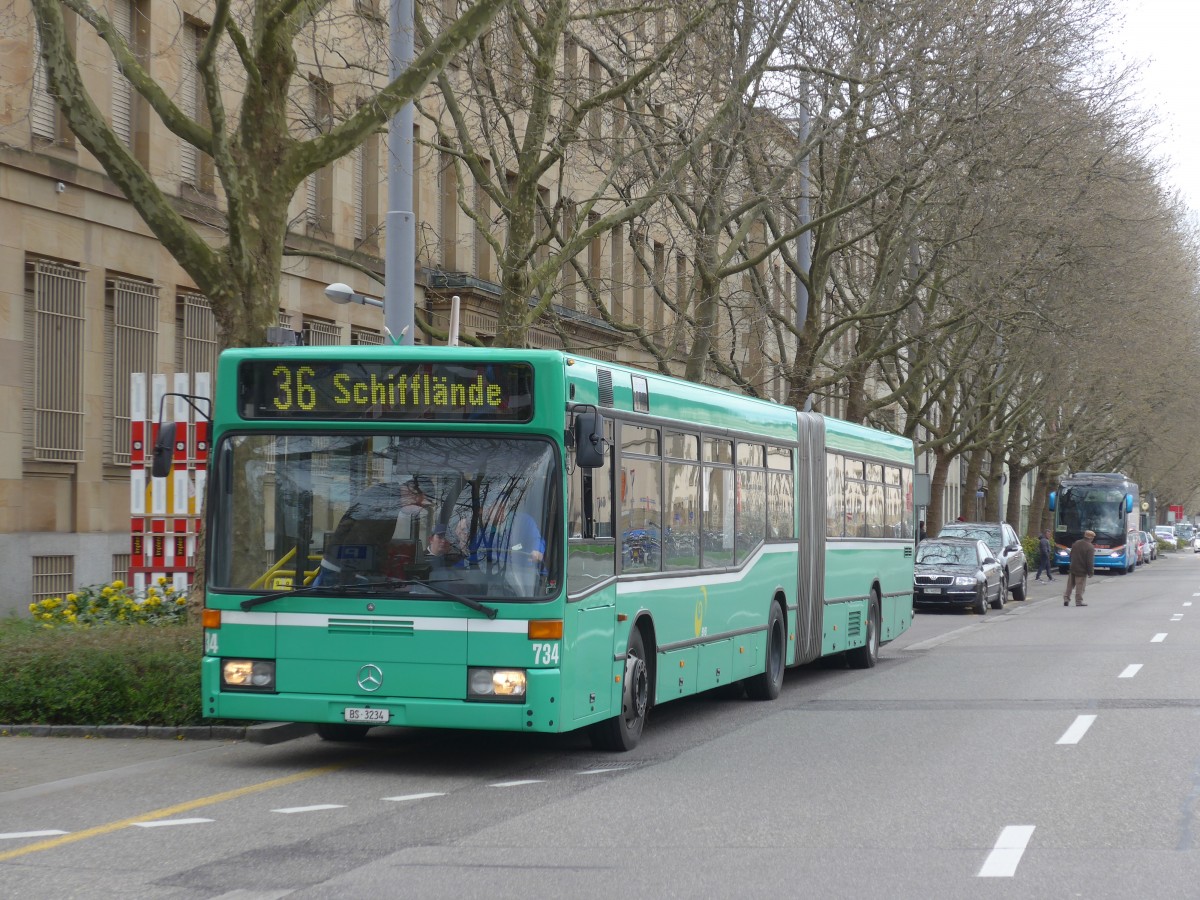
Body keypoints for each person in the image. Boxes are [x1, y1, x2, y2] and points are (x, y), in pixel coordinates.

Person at [316, 477, 432, 583]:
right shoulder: (383, 502)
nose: (419, 509)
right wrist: (349, 578)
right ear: (412, 492)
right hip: (343, 571)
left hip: (346, 568)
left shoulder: (388, 497)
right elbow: (358, 540)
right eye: (420, 504)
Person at [1063, 529, 1095, 607]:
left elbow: (1071, 555)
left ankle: (1066, 599)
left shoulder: (1076, 543)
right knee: (1080, 586)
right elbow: (1089, 561)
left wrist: (1071, 564)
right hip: (1081, 570)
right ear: (1091, 538)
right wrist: (1090, 572)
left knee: (1070, 585)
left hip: (1073, 567)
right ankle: (1078, 601)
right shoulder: (1090, 547)